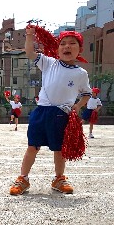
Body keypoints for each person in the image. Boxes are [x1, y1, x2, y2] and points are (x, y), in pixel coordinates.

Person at [9, 27, 91, 196]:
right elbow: (30, 52)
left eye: (72, 44)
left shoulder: (81, 73)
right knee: (32, 146)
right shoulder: (49, 62)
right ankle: (23, 178)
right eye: (62, 44)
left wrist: (78, 106)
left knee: (59, 149)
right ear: (57, 48)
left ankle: (59, 178)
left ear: (79, 49)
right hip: (42, 112)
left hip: (62, 114)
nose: (66, 47)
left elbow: (86, 94)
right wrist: (30, 35)